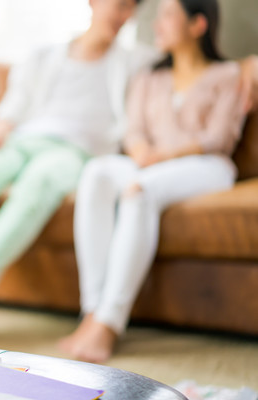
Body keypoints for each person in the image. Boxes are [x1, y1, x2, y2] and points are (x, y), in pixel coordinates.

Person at [0, 0, 155, 342]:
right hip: (22, 142)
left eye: (130, 10)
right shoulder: (44, 56)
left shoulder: (135, 62)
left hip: (74, 153)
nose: (124, 16)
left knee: (40, 182)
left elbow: (189, 61)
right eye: (119, 6)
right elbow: (13, 107)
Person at [60, 0, 246, 363]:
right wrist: (142, 150)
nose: (156, 24)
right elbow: (134, 130)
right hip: (149, 162)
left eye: (167, 15)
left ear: (197, 25)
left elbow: (219, 138)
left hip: (206, 166)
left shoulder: (228, 76)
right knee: (97, 172)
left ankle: (110, 323)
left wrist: (161, 156)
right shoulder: (148, 76)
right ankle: (93, 309)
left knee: (138, 192)